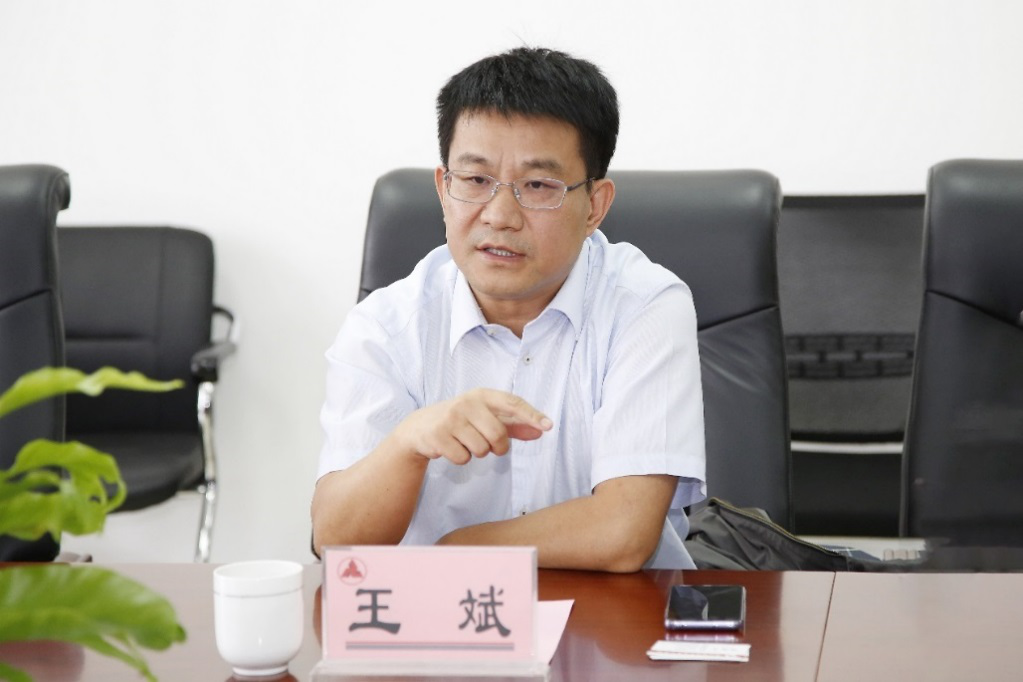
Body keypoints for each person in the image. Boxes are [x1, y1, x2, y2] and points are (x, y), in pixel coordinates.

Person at [311, 46, 706, 572]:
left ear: (595, 205)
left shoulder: (645, 307)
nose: (499, 215)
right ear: (443, 189)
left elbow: (624, 531)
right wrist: (407, 444)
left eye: (537, 186)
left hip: (614, 614)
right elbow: (335, 539)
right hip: (436, 619)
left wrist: (457, 551)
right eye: (475, 181)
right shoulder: (385, 326)